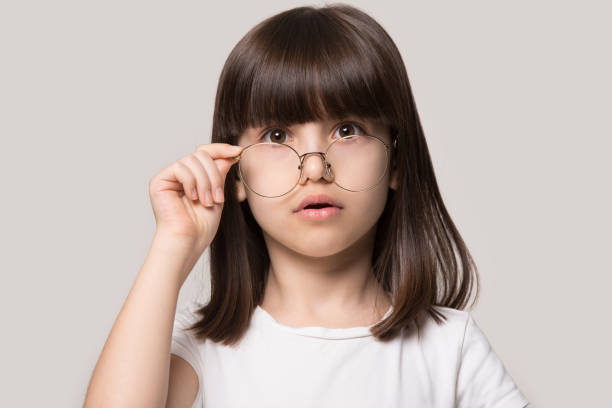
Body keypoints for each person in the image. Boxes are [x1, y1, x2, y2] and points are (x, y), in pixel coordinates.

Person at [84, 4, 529, 408]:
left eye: (348, 130)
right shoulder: (196, 348)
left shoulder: (449, 348)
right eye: (277, 136)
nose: (315, 168)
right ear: (235, 170)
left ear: (396, 160)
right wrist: (173, 245)